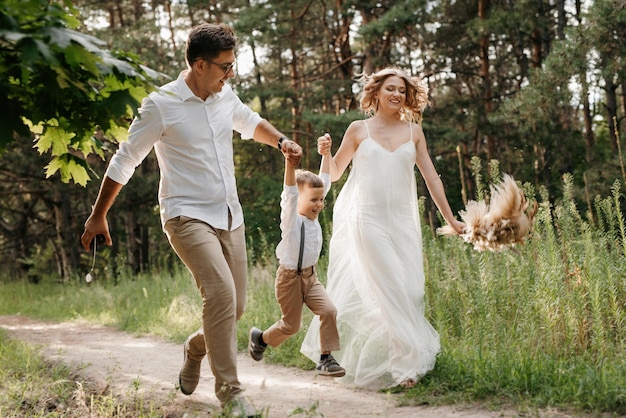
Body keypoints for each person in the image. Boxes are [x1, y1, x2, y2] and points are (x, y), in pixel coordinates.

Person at [80, 22, 302, 417]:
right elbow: (125, 159)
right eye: (223, 67)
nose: (229, 73)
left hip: (229, 214)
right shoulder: (161, 104)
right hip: (185, 215)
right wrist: (99, 216)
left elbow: (249, 122)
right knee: (219, 296)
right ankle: (231, 394)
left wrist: (281, 141)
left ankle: (195, 348)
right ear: (199, 65)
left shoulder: (223, 93)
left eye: (232, 65)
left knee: (233, 309)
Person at [300, 67, 465, 390]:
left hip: (403, 223)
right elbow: (333, 172)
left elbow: (431, 178)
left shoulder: (414, 132)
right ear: (375, 93)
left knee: (411, 291)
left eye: (401, 91)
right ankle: (405, 367)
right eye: (390, 88)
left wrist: (450, 219)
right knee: (390, 287)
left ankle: (385, 332)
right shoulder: (358, 130)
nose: (396, 95)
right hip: (368, 220)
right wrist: (325, 154)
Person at [248, 134, 345, 377]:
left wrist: (325, 154)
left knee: (329, 311)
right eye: (313, 200)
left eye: (321, 199)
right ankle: (260, 339)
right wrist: (289, 166)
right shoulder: (291, 221)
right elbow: (289, 194)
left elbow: (324, 180)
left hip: (311, 278)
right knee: (291, 326)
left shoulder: (315, 214)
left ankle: (326, 358)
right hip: (289, 279)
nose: (319, 204)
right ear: (299, 200)